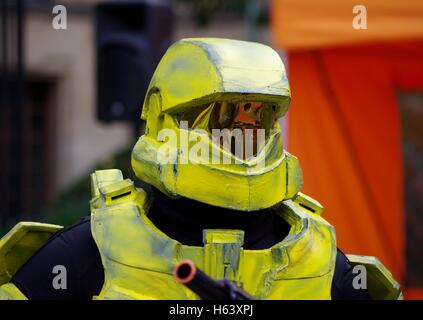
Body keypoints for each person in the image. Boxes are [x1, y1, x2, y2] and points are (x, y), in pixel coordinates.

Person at [0, 38, 401, 300]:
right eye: (222, 116)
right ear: (166, 118)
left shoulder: (321, 261)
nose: (243, 130)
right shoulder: (89, 250)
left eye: (259, 116)